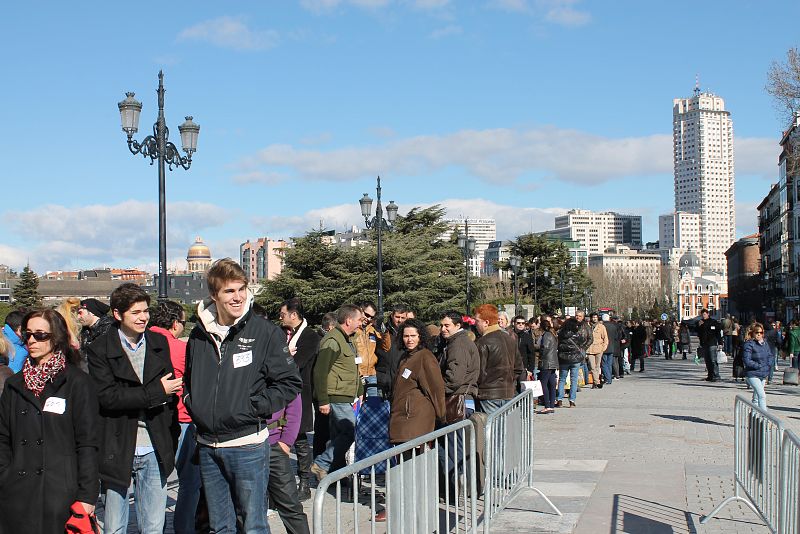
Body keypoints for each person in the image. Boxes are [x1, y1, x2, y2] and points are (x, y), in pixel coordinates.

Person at [184, 259, 302, 534]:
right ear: (214, 295)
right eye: (229, 291)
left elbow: (289, 381)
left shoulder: (264, 332)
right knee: (219, 526)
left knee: (253, 525)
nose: (237, 297)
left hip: (248, 444)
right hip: (208, 445)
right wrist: (194, 405)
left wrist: (253, 407)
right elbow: (190, 380)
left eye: (241, 289)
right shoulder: (199, 335)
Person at [87, 283, 181, 534]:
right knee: (115, 525)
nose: (143, 317)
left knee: (153, 526)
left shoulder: (158, 342)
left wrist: (171, 435)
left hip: (154, 443)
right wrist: (155, 393)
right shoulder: (99, 349)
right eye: (136, 312)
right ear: (117, 314)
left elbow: (170, 393)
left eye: (146, 311)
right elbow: (108, 398)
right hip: (117, 444)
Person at [0, 309, 100, 533]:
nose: (32, 340)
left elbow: (87, 443)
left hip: (60, 492)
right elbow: (3, 437)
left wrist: (87, 495)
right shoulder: (14, 384)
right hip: (17, 492)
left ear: (56, 337)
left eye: (40, 335)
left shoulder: (77, 382)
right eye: (27, 335)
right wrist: (5, 475)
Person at [148, 300, 200, 534]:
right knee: (189, 480)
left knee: (150, 482)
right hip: (182, 418)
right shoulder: (177, 348)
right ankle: (185, 528)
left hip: (146, 421)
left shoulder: (140, 342)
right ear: (174, 323)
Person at [311, 304, 364, 481]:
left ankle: (333, 474)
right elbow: (320, 372)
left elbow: (351, 367)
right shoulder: (333, 341)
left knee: (337, 435)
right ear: (349, 320)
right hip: (336, 396)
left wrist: (359, 389)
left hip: (344, 395)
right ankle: (322, 463)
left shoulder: (347, 339)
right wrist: (323, 400)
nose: (361, 324)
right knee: (349, 431)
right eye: (359, 320)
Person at [279, 297, 320, 502]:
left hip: (299, 393)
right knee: (280, 436)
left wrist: (283, 357)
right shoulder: (280, 334)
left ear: (294, 315)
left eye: (283, 313)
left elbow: (298, 363)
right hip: (279, 393)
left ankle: (304, 482)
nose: (280, 317)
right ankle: (281, 483)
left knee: (300, 439)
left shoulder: (310, 337)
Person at [265, 394, 311, 534]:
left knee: (291, 507)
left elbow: (294, 404)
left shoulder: (280, 372)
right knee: (248, 510)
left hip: (274, 446)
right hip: (243, 445)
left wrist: (286, 441)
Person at [473, 304, 526, 414]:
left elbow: (478, 372)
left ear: (486, 322)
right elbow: (519, 367)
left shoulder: (483, 342)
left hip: (489, 394)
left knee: (492, 429)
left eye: (477, 321)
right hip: (507, 393)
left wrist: (484, 384)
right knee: (503, 429)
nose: (475, 324)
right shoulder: (509, 339)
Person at [555, 311, 592, 407]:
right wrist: (582, 349)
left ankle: (559, 399)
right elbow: (587, 339)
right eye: (576, 315)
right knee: (574, 379)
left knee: (562, 379)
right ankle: (572, 400)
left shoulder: (562, 333)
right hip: (576, 358)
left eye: (579, 316)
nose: (577, 317)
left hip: (564, 358)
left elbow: (559, 345)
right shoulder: (579, 333)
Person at [742, 323, 771, 410]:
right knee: (762, 395)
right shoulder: (749, 344)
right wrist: (758, 366)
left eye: (761, 332)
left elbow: (770, 355)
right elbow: (747, 360)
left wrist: (768, 365)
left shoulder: (764, 343)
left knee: (756, 398)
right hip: (752, 374)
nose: (759, 334)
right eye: (757, 332)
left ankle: (754, 418)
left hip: (763, 373)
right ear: (752, 333)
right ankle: (764, 418)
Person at [536, 318, 558, 414]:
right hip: (553, 362)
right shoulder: (553, 334)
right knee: (552, 384)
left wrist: (540, 354)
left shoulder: (546, 335)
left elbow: (544, 347)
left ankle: (547, 405)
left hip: (547, 362)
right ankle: (551, 405)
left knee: (543, 383)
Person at [696, 309, 723, 382]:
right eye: (702, 315)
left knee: (713, 359)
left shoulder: (713, 322)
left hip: (712, 343)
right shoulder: (700, 322)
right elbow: (698, 333)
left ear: (708, 314)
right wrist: (699, 326)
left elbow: (718, 332)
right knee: (707, 360)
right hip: (704, 344)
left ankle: (716, 375)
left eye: (704, 314)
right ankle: (710, 375)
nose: (703, 316)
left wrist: (720, 343)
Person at [586, 313, 608, 388]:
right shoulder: (587, 326)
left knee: (597, 366)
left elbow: (605, 338)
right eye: (593, 317)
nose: (594, 319)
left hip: (599, 348)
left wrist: (604, 347)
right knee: (592, 366)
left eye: (596, 317)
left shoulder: (601, 327)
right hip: (590, 349)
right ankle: (597, 382)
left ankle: (595, 382)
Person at [601, 314, 619, 385]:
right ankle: (609, 378)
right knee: (609, 363)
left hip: (604, 347)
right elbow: (616, 337)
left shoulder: (602, 326)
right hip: (612, 347)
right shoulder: (613, 326)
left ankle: (607, 378)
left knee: (604, 364)